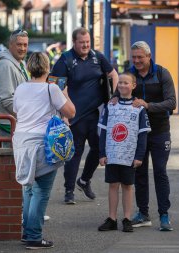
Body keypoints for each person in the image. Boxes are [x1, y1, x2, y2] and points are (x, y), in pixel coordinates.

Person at [12, 52, 75, 249]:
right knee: (41, 191)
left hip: (21, 142)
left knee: (28, 189)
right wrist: (64, 93)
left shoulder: (20, 88)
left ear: (29, 68)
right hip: (42, 143)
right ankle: (34, 236)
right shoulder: (52, 89)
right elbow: (71, 112)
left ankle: (27, 232)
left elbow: (16, 111)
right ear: (48, 69)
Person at [51, 27, 118, 204]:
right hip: (75, 115)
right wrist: (64, 113)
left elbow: (113, 74)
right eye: (82, 42)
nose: (86, 45)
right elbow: (54, 85)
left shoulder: (97, 57)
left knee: (99, 149)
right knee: (75, 152)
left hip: (96, 113)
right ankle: (69, 190)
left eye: (88, 42)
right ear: (74, 42)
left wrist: (114, 97)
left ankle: (84, 180)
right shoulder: (66, 59)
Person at [128, 41, 177, 231]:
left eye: (140, 57)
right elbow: (120, 93)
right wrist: (116, 97)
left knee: (160, 172)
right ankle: (143, 213)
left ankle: (164, 215)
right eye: (134, 57)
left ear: (149, 56)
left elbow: (172, 103)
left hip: (160, 131)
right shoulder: (130, 74)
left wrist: (148, 105)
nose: (137, 61)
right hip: (138, 133)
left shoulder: (162, 73)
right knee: (139, 173)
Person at [97, 72, 150, 232]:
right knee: (113, 185)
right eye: (120, 82)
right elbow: (104, 131)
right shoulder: (110, 105)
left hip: (129, 156)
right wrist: (102, 153)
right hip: (112, 154)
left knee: (127, 186)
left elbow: (142, 134)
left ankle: (127, 218)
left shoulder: (139, 108)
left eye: (126, 83)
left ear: (133, 86)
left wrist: (139, 156)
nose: (122, 85)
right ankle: (111, 219)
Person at [0, 29, 29, 148]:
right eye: (19, 44)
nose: (23, 48)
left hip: (18, 122)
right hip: (10, 124)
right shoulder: (5, 65)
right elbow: (7, 99)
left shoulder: (20, 63)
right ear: (11, 45)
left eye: (25, 45)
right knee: (12, 163)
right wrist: (27, 116)